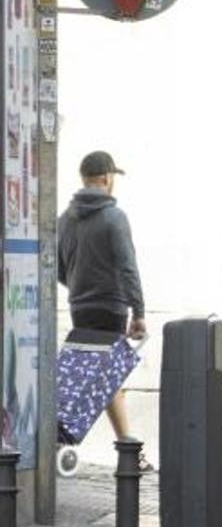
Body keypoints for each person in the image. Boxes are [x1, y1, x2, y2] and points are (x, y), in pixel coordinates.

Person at [57, 151, 151, 471]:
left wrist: (78, 286)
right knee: (106, 376)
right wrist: (138, 310)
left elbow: (58, 267)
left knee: (96, 373)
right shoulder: (115, 217)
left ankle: (126, 445)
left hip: (80, 307)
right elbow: (127, 266)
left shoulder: (65, 219)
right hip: (111, 306)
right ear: (107, 178)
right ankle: (123, 448)